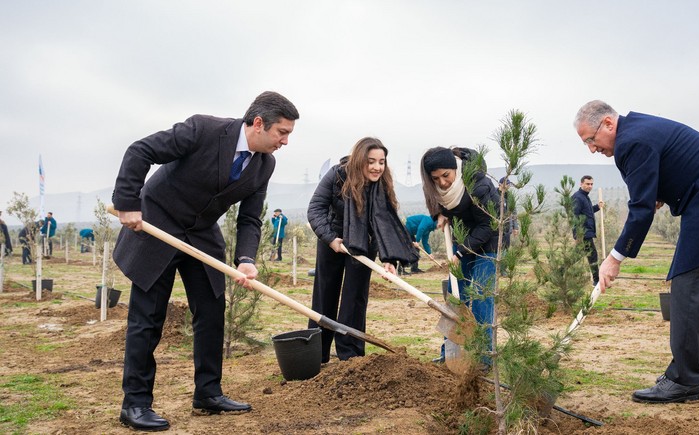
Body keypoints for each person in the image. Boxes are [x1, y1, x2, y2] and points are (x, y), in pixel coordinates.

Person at [111, 91, 299, 431]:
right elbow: (141, 150)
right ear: (259, 123)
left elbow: (250, 218)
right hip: (158, 223)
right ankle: (135, 403)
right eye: (282, 133)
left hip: (200, 233)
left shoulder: (263, 164)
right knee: (147, 317)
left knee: (212, 310)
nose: (285, 141)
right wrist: (127, 202)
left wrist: (245, 259)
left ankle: (208, 393)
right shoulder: (203, 130)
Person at [574, 100, 699, 404]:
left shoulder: (631, 141)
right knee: (698, 289)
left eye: (590, 139)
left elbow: (640, 210)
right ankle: (694, 373)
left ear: (608, 124)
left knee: (687, 287)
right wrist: (659, 195)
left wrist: (614, 258)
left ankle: (683, 380)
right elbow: (662, 179)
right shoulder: (637, 130)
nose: (591, 149)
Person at [307, 137, 418, 363]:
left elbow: (384, 222)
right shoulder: (338, 175)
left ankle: (351, 356)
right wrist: (330, 238)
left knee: (355, 296)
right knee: (325, 293)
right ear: (359, 160)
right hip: (334, 238)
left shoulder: (383, 184)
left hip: (364, 243)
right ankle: (317, 354)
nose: (377, 167)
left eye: (381, 162)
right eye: (371, 161)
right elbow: (315, 208)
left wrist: (388, 259)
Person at [421, 146, 500, 366]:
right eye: (436, 178)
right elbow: (433, 197)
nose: (443, 182)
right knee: (456, 297)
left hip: (489, 241)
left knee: (482, 298)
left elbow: (487, 224)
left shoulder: (478, 183)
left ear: (455, 168)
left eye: (446, 175)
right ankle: (451, 353)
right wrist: (438, 213)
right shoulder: (436, 187)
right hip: (462, 239)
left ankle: (485, 358)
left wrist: (461, 251)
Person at [572, 175, 605, 285]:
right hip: (584, 233)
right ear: (581, 184)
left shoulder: (585, 197)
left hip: (587, 232)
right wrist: (577, 235)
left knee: (577, 255)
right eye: (587, 184)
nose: (589, 186)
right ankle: (597, 280)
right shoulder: (578, 197)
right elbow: (574, 217)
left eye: (591, 184)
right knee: (593, 255)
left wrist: (597, 207)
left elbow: (587, 212)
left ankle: (560, 272)